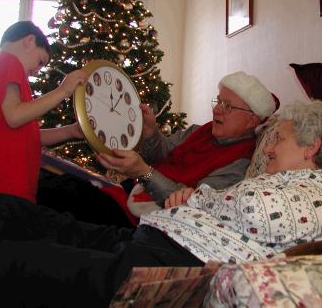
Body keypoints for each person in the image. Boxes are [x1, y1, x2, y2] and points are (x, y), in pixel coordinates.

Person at [0, 100, 322, 307]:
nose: (269, 149)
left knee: (12, 260)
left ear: (311, 147)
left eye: (278, 139)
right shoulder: (268, 175)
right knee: (7, 208)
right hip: (153, 235)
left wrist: (199, 200)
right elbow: (174, 162)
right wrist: (189, 196)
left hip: (168, 266)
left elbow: (255, 211)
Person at [95, 70, 279, 221]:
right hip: (136, 191)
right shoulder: (201, 130)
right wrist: (151, 132)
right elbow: (165, 151)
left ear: (251, 120)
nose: (215, 109)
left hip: (154, 218)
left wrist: (145, 173)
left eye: (227, 106)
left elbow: (194, 204)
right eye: (218, 101)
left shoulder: (240, 163)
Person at [0, 21, 88, 204]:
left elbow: (27, 133)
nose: (37, 71)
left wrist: (70, 131)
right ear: (29, 41)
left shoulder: (1, 65)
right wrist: (63, 91)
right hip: (1, 187)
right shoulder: (8, 60)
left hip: (1, 187)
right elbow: (15, 116)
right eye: (40, 61)